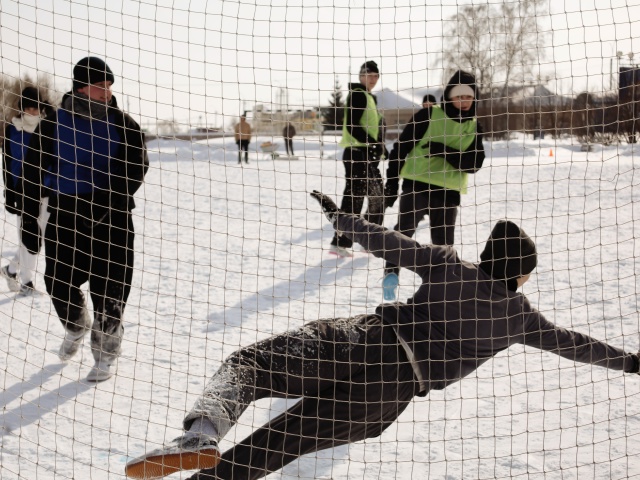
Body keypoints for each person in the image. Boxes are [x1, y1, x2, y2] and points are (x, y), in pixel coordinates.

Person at [124, 190, 640, 480]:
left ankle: (202, 433)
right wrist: (634, 362)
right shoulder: (521, 318)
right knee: (273, 448)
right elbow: (578, 346)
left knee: (250, 365)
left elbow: (387, 240)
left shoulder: (448, 264)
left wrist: (342, 219)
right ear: (520, 274)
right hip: (388, 395)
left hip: (364, 340)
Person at [21, 56, 149, 382]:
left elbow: (137, 165)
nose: (107, 92)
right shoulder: (53, 123)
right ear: (81, 87)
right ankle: (76, 326)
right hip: (66, 212)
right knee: (58, 282)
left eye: (110, 86)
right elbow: (33, 170)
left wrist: (112, 197)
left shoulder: (123, 123)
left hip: (112, 216)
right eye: (100, 85)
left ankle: (105, 354)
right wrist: (28, 217)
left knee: (111, 289)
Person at [382, 70, 485, 301]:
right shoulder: (428, 115)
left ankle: (439, 290)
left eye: (468, 97)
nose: (464, 101)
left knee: (444, 247)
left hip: (448, 193)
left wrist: (444, 151)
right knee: (404, 232)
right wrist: (392, 184)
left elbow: (474, 164)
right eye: (459, 96)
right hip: (417, 185)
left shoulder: (474, 127)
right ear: (449, 97)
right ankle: (391, 273)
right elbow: (400, 148)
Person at [329, 60, 387, 257]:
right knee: (359, 198)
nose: (373, 79)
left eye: (376, 76)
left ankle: (361, 240)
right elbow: (353, 126)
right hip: (357, 153)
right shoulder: (358, 95)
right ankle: (344, 242)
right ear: (361, 76)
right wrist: (373, 143)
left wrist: (380, 146)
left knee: (371, 197)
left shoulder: (369, 97)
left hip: (365, 153)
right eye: (369, 75)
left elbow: (372, 126)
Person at [1, 87, 52, 295]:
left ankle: (11, 270)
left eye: (36, 107)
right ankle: (26, 283)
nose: (33, 111)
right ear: (22, 108)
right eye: (29, 108)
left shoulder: (48, 127)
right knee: (28, 236)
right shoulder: (12, 130)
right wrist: (10, 193)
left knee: (40, 238)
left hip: (47, 189)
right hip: (23, 191)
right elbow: (7, 163)